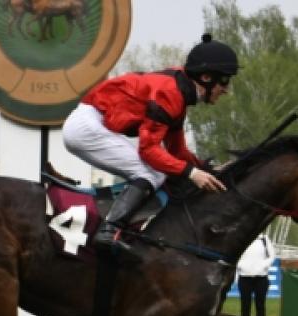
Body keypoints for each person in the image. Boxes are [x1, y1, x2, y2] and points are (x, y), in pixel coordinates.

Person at [62, 33, 235, 257]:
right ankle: (110, 230)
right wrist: (192, 173)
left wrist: (205, 170)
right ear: (205, 77)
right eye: (224, 80)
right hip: (87, 126)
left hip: (92, 123)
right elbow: (148, 150)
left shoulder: (179, 91)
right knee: (152, 172)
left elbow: (177, 151)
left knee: (158, 170)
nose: (226, 89)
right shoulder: (171, 92)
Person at [236, 233, 276, 316]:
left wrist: (262, 266)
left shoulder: (264, 239)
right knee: (245, 305)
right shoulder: (241, 238)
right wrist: (241, 266)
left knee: (260, 305)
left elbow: (272, 256)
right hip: (244, 277)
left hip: (261, 278)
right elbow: (235, 255)